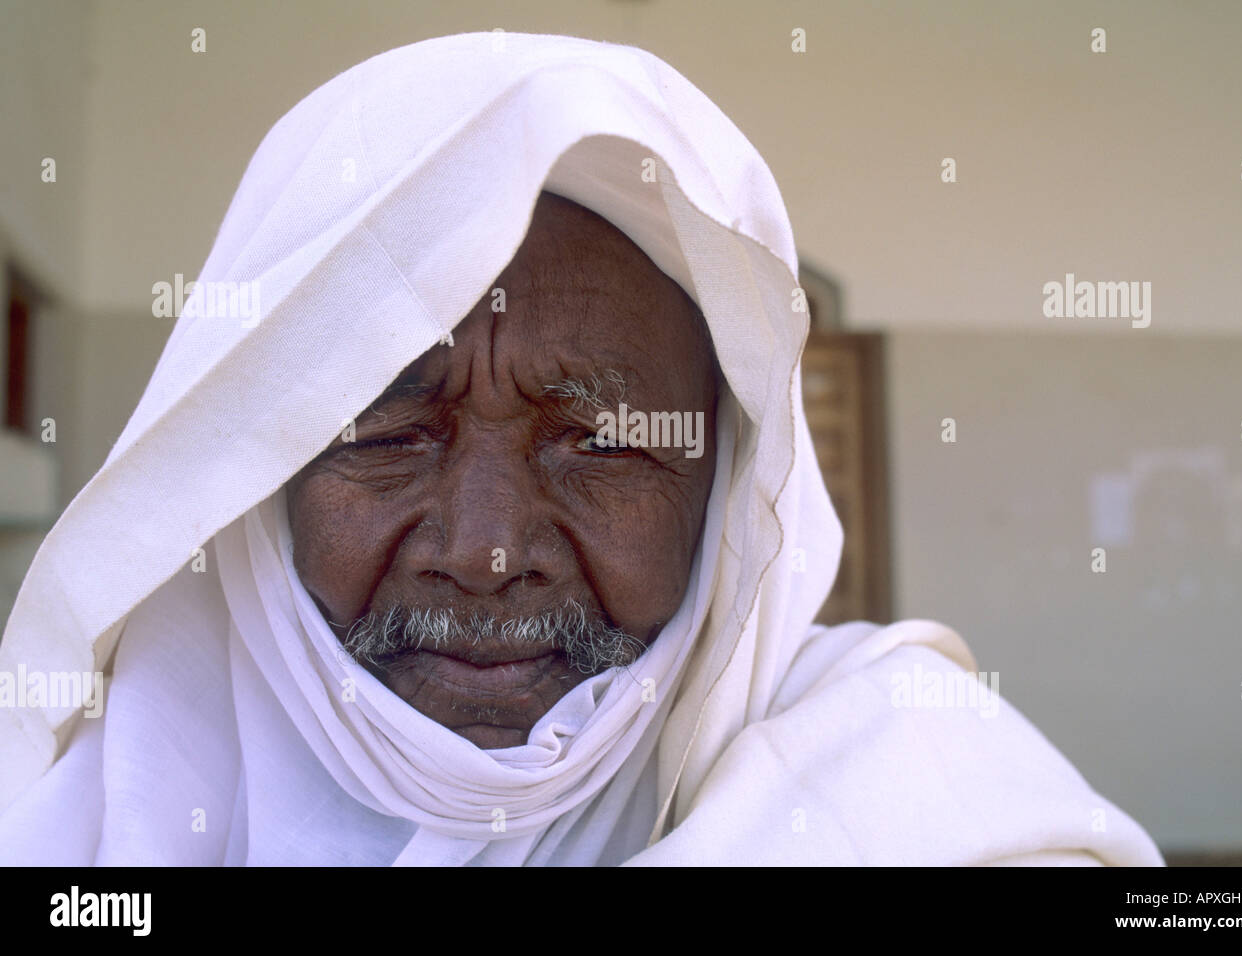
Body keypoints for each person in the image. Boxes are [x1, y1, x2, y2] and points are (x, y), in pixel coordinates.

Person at [0, 32, 1162, 866]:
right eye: (393, 433)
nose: (489, 552)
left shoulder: (908, 777)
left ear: (725, 487)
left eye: (604, 444)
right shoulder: (65, 814)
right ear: (260, 478)